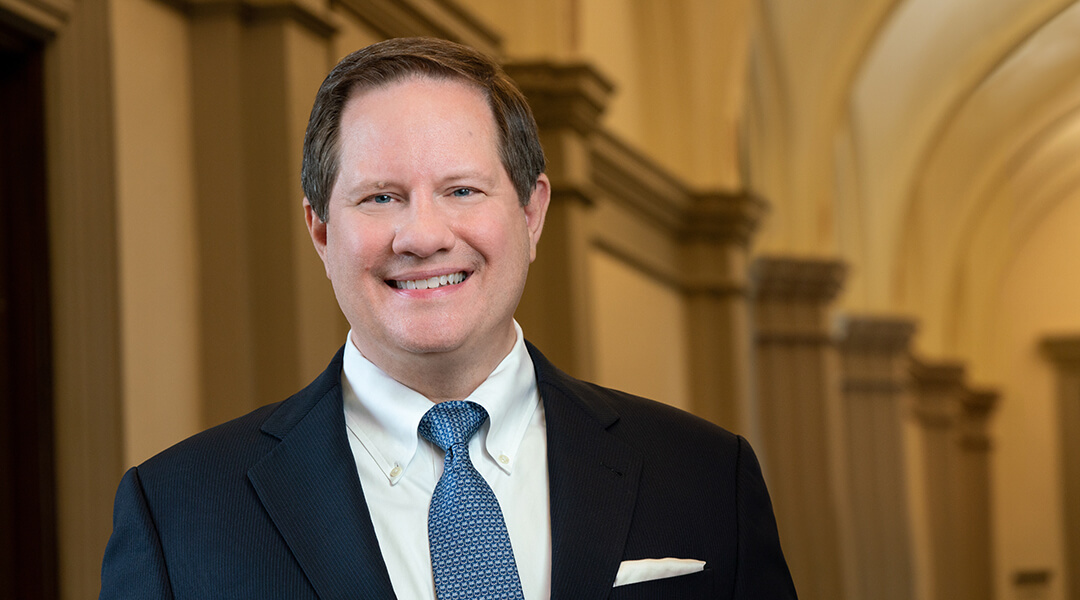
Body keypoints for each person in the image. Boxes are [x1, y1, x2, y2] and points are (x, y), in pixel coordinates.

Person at [99, 37, 797, 599]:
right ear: (319, 230)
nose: (423, 235)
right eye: (380, 198)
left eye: (462, 189)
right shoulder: (178, 515)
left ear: (531, 213)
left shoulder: (706, 477)